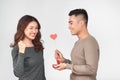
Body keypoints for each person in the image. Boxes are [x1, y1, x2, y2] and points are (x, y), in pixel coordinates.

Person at [53, 9, 99, 80]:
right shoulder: (78, 42)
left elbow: (91, 69)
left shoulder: (90, 42)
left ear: (81, 23)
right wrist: (64, 61)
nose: (69, 27)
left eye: (71, 23)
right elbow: (79, 65)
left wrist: (66, 66)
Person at [11, 15, 46, 80]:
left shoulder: (38, 46)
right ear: (23, 28)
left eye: (36, 28)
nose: (34, 31)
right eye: (31, 28)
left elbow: (41, 71)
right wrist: (21, 52)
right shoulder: (17, 49)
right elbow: (18, 73)